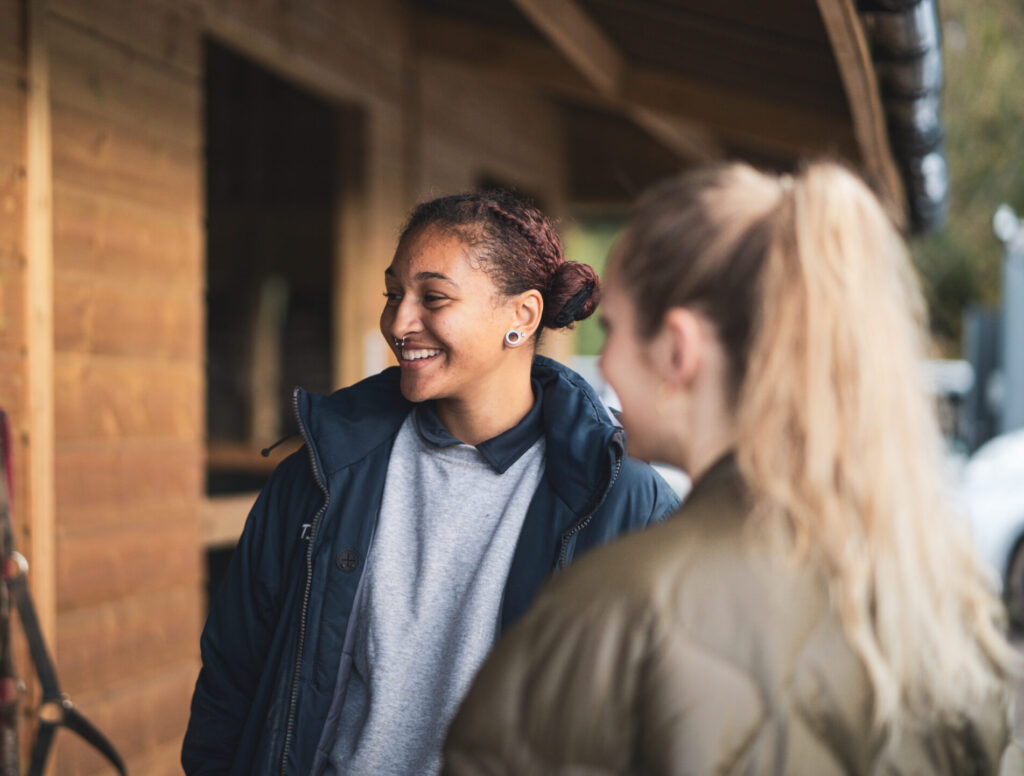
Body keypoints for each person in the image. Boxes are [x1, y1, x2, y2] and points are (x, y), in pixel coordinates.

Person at [443, 163, 1022, 774]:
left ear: (678, 350)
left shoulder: (612, 614)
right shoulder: (944, 602)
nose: (602, 362)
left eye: (612, 328)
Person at [181, 190, 680, 776]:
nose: (398, 321)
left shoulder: (627, 500)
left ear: (522, 316)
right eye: (393, 293)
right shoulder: (316, 474)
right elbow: (231, 677)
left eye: (433, 297)